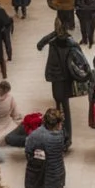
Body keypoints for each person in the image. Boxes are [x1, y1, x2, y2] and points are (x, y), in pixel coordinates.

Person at [36, 20, 84, 148]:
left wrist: (53, 34)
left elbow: (39, 44)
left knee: (61, 107)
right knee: (64, 107)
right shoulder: (70, 42)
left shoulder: (56, 42)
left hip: (58, 78)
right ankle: (64, 137)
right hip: (64, 78)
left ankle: (63, 137)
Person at [25, 108, 67, 188]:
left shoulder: (35, 136)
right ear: (56, 124)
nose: (61, 126)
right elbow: (63, 148)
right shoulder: (60, 135)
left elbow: (28, 152)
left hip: (39, 173)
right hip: (55, 174)